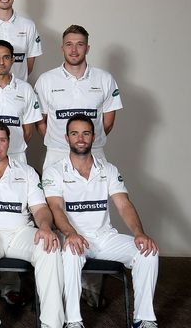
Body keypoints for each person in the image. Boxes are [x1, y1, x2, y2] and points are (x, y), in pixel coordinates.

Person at [43, 115, 159, 328]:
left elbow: (124, 205)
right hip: (74, 238)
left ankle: (143, 319)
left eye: (86, 133)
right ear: (66, 138)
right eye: (75, 133)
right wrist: (70, 233)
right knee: (70, 252)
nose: (80, 138)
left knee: (147, 251)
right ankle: (73, 321)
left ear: (93, 137)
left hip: (105, 238)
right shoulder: (54, 171)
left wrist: (139, 233)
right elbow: (56, 208)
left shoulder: (108, 169)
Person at [0, 120, 63, 328]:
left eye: (1, 140)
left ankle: (52, 323)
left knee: (49, 246)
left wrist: (44, 226)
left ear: (8, 142)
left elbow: (40, 208)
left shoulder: (26, 171)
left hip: (20, 233)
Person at [34, 24, 123, 169]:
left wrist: (84, 144)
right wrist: (59, 142)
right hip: (57, 154)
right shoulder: (46, 80)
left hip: (94, 153)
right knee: (54, 193)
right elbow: (40, 122)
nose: (74, 50)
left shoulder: (105, 79)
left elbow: (108, 123)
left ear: (87, 48)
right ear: (62, 48)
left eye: (79, 45)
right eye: (69, 45)